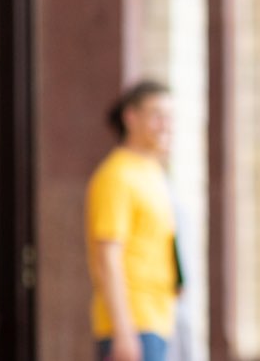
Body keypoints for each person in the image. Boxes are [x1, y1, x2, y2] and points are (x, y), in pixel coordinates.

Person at [86, 80, 178, 361]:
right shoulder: (116, 176)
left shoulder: (152, 171)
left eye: (170, 117)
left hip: (159, 318)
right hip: (133, 324)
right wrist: (123, 332)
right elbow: (108, 258)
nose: (166, 125)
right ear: (131, 117)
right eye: (157, 116)